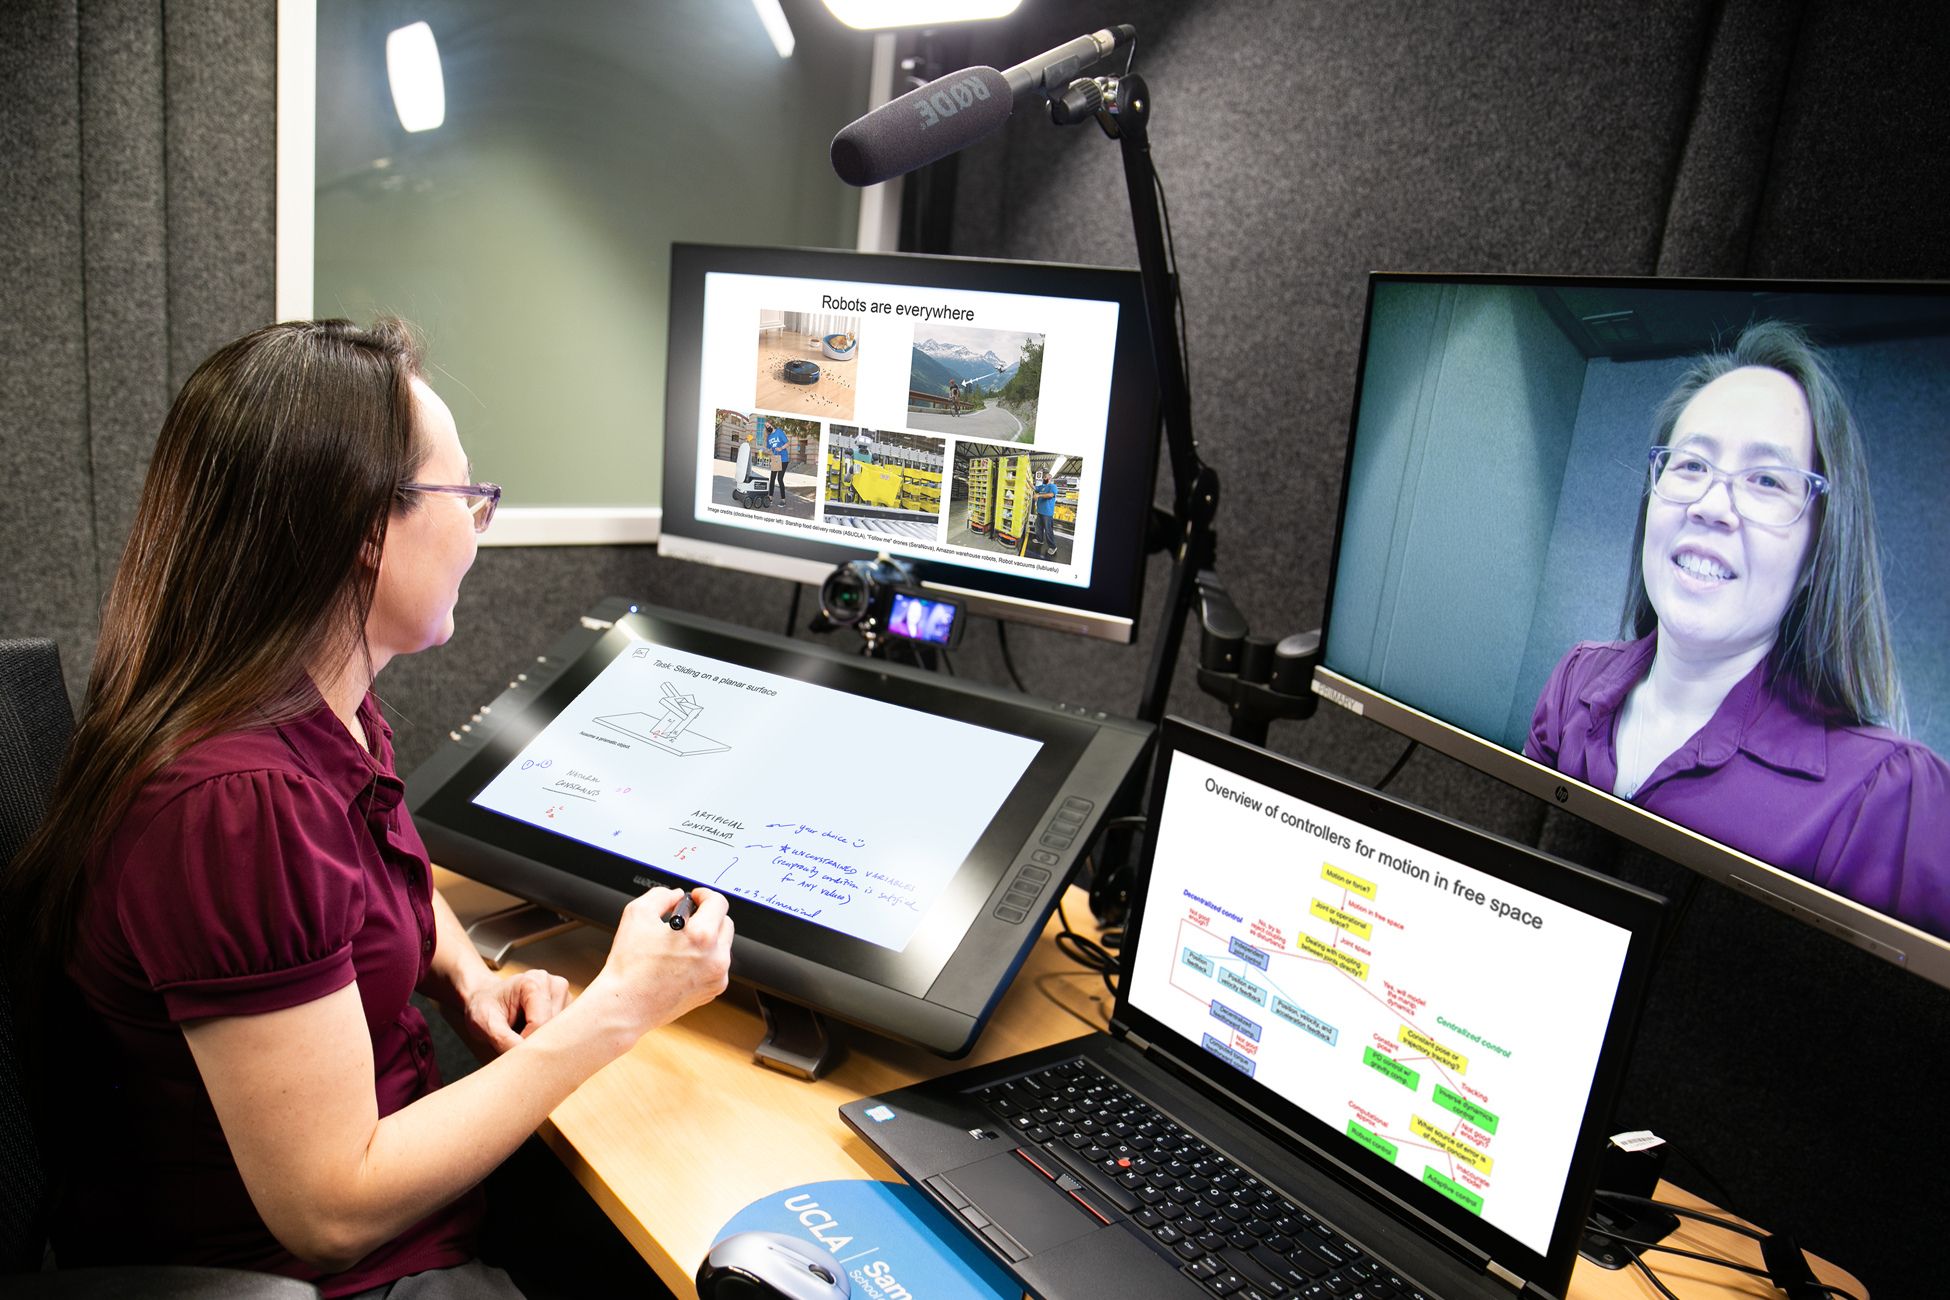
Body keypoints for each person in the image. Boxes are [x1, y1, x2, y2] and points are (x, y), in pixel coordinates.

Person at [0, 319, 734, 1296]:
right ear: (362, 526)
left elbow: (382, 876)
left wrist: (465, 975)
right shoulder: (239, 805)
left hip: (422, 1219)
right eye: (465, 496)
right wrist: (621, 1007)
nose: (481, 527)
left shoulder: (317, 703)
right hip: (335, 1277)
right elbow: (332, 1208)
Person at [1525, 319, 1949, 939]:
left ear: (1816, 555)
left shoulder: (1893, 799)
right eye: (1691, 465)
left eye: (1766, 480)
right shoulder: (1574, 682)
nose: (1711, 505)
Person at [1032, 468, 1059, 558]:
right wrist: (1027, 481)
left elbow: (1051, 495)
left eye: (1045, 477)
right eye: (1044, 477)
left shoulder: (1052, 486)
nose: (1044, 478)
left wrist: (1039, 495)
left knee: (1048, 530)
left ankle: (1053, 546)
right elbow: (1034, 488)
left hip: (1047, 513)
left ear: (1049, 478)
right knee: (1038, 527)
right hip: (1040, 511)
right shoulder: (1042, 487)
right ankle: (1040, 540)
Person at [765, 419, 790, 508]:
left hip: (783, 459)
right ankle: (770, 498)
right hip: (775, 459)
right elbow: (769, 448)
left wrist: (781, 448)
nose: (767, 427)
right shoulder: (769, 437)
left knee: (779, 479)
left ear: (772, 425)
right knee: (772, 479)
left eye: (768, 426)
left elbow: (787, 443)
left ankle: (783, 499)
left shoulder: (779, 432)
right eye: (766, 426)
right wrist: (766, 451)